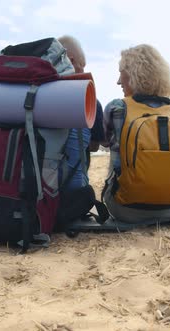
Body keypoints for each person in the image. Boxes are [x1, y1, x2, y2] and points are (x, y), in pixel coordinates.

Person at [102, 44, 170, 223]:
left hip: (125, 209)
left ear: (133, 75)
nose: (118, 81)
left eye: (121, 73)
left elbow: (99, 142)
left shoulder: (117, 107)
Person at [54, 35, 106, 229]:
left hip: (33, 196)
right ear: (72, 60)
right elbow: (93, 146)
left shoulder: (34, 98)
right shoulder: (92, 102)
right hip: (71, 202)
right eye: (83, 67)